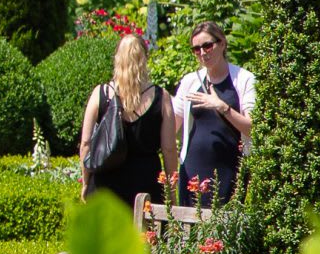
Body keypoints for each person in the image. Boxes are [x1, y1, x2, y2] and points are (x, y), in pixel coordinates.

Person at [79, 32, 176, 208]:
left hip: (104, 184)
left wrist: (86, 182)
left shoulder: (100, 93)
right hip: (145, 185)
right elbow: (169, 149)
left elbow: (86, 143)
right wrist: (171, 191)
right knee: (145, 235)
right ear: (145, 59)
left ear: (117, 58)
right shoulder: (161, 97)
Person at [172, 21, 255, 209]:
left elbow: (252, 128)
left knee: (224, 230)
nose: (202, 53)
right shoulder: (190, 81)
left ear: (222, 43)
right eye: (196, 49)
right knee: (190, 231)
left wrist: (222, 107)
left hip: (230, 168)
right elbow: (172, 126)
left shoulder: (243, 79)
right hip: (193, 168)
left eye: (207, 45)